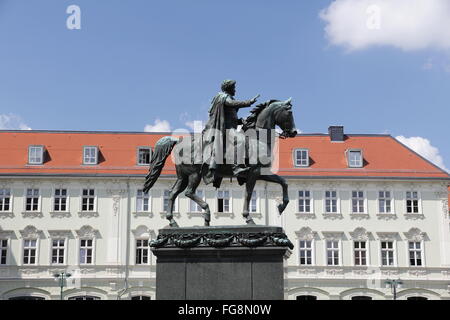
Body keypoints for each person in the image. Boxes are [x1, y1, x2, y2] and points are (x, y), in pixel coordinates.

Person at [202, 79, 259, 187]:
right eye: (233, 88)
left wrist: (239, 121)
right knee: (241, 140)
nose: (235, 90)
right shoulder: (223, 97)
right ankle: (237, 168)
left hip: (230, 127)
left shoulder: (227, 98)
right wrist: (249, 102)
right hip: (225, 129)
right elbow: (231, 103)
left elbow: (229, 118)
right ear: (229, 88)